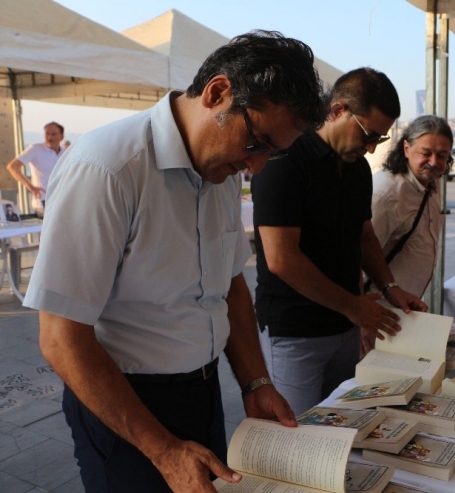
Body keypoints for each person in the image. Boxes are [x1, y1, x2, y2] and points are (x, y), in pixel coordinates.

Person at [24, 31, 328, 493]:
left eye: (272, 152)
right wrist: (163, 450)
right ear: (217, 93)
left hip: (203, 393)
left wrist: (254, 382)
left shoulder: (222, 172)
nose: (257, 167)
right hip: (123, 404)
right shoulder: (108, 168)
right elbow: (61, 338)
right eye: (257, 142)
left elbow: (231, 288)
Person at [252, 67, 426, 416]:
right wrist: (354, 306)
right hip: (295, 333)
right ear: (337, 110)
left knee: (338, 428)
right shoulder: (286, 159)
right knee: (297, 440)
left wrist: (390, 286)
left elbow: (364, 236)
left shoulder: (358, 169)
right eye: (367, 134)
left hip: (344, 328)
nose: (372, 147)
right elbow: (281, 259)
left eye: (380, 139)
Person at [364, 115, 452, 352]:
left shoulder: (432, 184)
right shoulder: (387, 193)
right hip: (377, 316)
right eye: (426, 153)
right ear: (406, 148)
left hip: (403, 314)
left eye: (442, 155)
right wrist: (360, 314)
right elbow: (358, 255)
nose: (434, 162)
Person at [6, 121, 65, 215]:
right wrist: (31, 187)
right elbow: (12, 166)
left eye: (53, 134)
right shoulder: (35, 149)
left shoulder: (66, 152)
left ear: (62, 136)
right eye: (47, 134)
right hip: (43, 200)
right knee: (44, 229)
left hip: (63, 199)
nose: (50, 137)